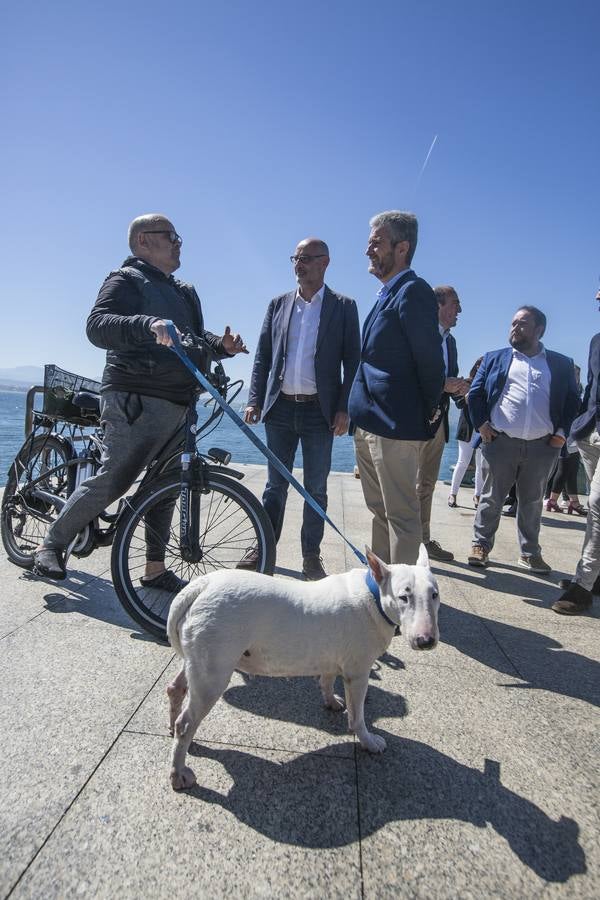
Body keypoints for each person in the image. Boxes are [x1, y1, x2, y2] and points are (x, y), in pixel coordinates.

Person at [33, 213, 248, 583]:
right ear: (144, 241)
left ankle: (154, 569)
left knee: (165, 489)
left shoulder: (184, 291)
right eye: (172, 235)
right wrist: (146, 324)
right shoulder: (126, 279)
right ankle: (50, 546)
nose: (179, 242)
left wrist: (220, 346)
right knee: (115, 479)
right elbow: (98, 325)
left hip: (181, 402)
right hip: (135, 398)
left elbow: (191, 335)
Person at [241, 238, 360, 580]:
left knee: (316, 489)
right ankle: (264, 546)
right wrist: (254, 399)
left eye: (306, 258)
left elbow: (352, 360)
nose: (299, 264)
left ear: (325, 263)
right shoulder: (278, 304)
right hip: (279, 409)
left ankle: (311, 556)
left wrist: (343, 409)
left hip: (319, 413)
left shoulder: (343, 306)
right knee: (274, 486)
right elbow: (264, 355)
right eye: (295, 257)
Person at [348, 210, 445, 565]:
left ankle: (407, 603)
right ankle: (381, 589)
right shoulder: (386, 294)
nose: (367, 249)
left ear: (401, 248)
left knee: (402, 517)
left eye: (376, 241)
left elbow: (430, 361)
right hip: (371, 423)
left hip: (395, 425)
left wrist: (427, 410)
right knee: (380, 512)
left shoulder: (413, 291)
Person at [467, 306, 580, 573]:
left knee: (532, 502)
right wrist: (482, 425)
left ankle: (529, 553)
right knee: (491, 498)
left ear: (539, 330)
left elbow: (572, 401)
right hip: (500, 442)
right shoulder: (495, 358)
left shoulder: (560, 364)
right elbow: (475, 394)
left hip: (543, 446)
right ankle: (480, 546)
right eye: (513, 323)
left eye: (522, 324)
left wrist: (561, 434)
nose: (515, 328)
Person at [552, 292, 600, 614]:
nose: (597, 295)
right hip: (590, 434)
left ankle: (583, 585)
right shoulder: (596, 340)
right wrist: (579, 427)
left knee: (596, 504)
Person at [417, 285, 470, 558]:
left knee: (426, 484)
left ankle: (422, 541)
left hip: (437, 425)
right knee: (404, 485)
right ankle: (403, 542)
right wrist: (443, 384)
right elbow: (408, 376)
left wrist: (462, 389)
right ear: (438, 305)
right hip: (412, 422)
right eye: (455, 303)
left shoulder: (450, 342)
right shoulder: (417, 333)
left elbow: (449, 380)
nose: (460, 310)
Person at [545, 364, 587, 516]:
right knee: (564, 468)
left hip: (574, 434)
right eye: (574, 373)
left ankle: (571, 501)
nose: (576, 377)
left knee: (571, 469)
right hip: (565, 434)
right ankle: (552, 500)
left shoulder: (578, 391)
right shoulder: (563, 390)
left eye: (578, 374)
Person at [447, 357, 484, 508]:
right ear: (476, 367)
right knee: (462, 462)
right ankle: (452, 494)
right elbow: (459, 403)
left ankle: (477, 496)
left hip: (482, 429)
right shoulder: (467, 383)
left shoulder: (488, 384)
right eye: (482, 366)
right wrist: (470, 395)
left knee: (481, 465)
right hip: (467, 429)